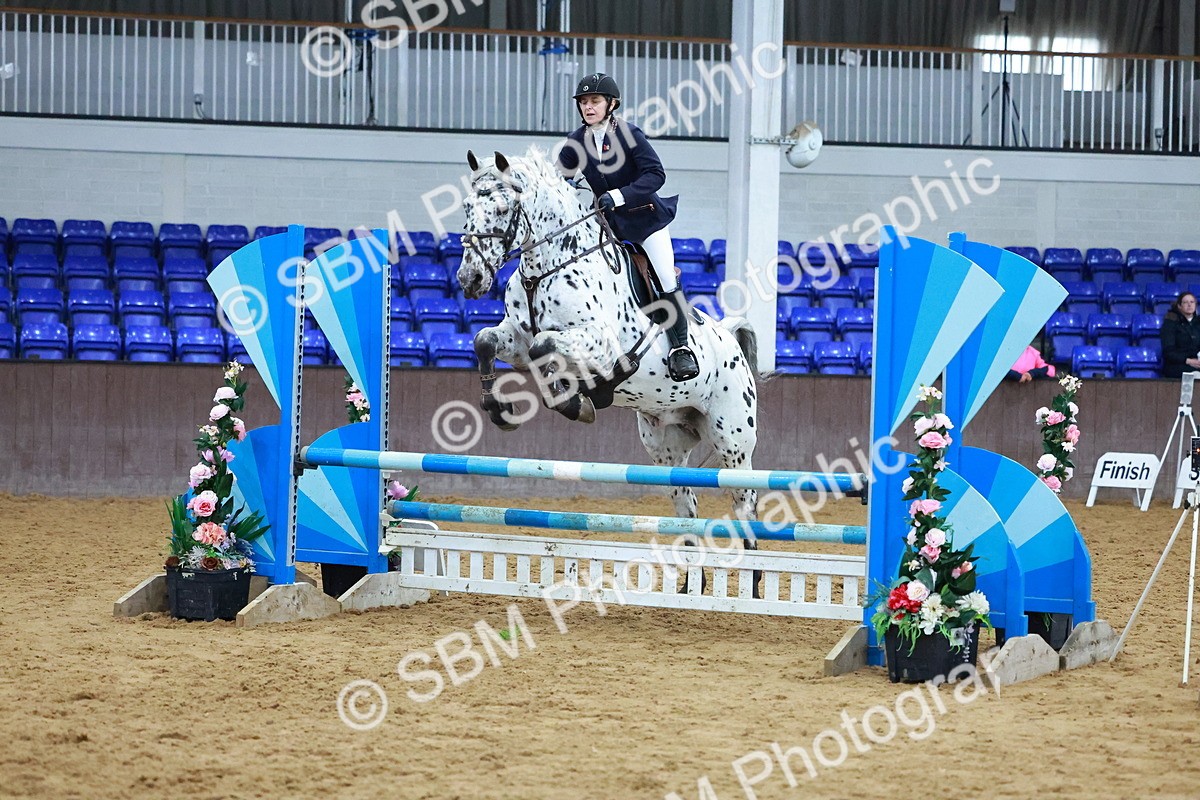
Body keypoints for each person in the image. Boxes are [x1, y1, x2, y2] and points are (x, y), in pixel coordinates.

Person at [555, 72, 700, 382]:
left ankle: (680, 348)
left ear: (612, 104)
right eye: (583, 102)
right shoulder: (575, 142)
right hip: (611, 228)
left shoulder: (630, 134)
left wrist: (618, 196)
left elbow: (655, 175)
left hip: (646, 222)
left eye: (594, 101)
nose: (588, 107)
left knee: (664, 277)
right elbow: (560, 181)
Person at [1161, 290, 1200, 378]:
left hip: (1197, 363)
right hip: (1177, 365)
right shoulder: (1170, 323)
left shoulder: (1198, 323)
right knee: (1196, 375)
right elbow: (1168, 352)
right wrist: (1188, 361)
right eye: (1185, 302)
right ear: (1179, 306)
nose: (1189, 305)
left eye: (1192, 302)